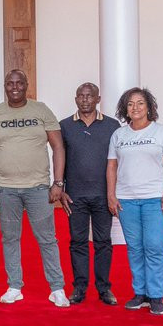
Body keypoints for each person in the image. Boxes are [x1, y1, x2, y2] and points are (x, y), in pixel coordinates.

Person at [0, 69, 69, 308]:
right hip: (5, 189)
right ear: (5, 86)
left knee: (47, 239)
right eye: (10, 83)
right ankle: (14, 287)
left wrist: (58, 182)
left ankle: (57, 288)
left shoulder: (41, 110)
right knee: (10, 238)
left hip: (38, 187)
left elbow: (58, 147)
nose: (15, 87)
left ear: (26, 85)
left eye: (19, 83)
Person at [107, 87, 163, 317]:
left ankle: (156, 296)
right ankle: (140, 293)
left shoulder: (161, 132)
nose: (135, 107)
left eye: (140, 103)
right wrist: (111, 195)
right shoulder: (119, 135)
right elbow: (112, 166)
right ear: (125, 109)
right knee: (135, 248)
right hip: (126, 200)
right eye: (130, 104)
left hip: (155, 198)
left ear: (148, 107)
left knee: (154, 246)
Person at [58, 82, 121, 305]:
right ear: (76, 99)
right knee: (78, 242)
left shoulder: (112, 125)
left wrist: (114, 192)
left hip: (103, 194)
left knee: (103, 242)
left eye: (89, 96)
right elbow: (59, 158)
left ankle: (104, 289)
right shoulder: (64, 125)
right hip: (75, 195)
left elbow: (117, 161)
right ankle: (79, 287)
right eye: (81, 96)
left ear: (98, 99)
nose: (85, 99)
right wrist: (60, 188)